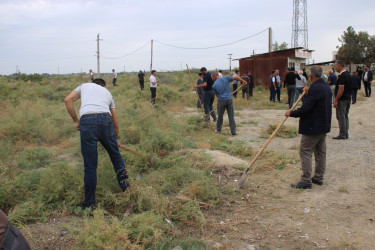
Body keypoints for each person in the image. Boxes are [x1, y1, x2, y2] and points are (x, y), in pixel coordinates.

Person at [64, 78, 130, 209]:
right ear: (104, 86)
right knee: (116, 156)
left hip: (87, 121)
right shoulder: (108, 93)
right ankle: (128, 191)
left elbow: (67, 100)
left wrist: (76, 121)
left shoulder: (84, 86)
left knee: (90, 166)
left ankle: (89, 204)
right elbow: (115, 123)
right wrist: (114, 138)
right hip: (106, 120)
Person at [286, 66, 332, 189]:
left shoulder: (316, 89)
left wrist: (292, 113)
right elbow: (312, 103)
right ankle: (318, 177)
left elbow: (306, 108)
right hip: (323, 126)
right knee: (320, 152)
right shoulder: (325, 87)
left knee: (305, 152)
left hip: (313, 127)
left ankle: (306, 181)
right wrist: (306, 94)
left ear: (311, 76)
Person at [333, 60, 351, 140]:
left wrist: (336, 100)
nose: (335, 67)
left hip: (342, 99)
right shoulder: (347, 73)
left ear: (340, 65)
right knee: (345, 116)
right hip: (347, 98)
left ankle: (342, 134)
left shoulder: (342, 75)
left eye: (335, 66)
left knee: (341, 116)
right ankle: (345, 133)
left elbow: (341, 89)